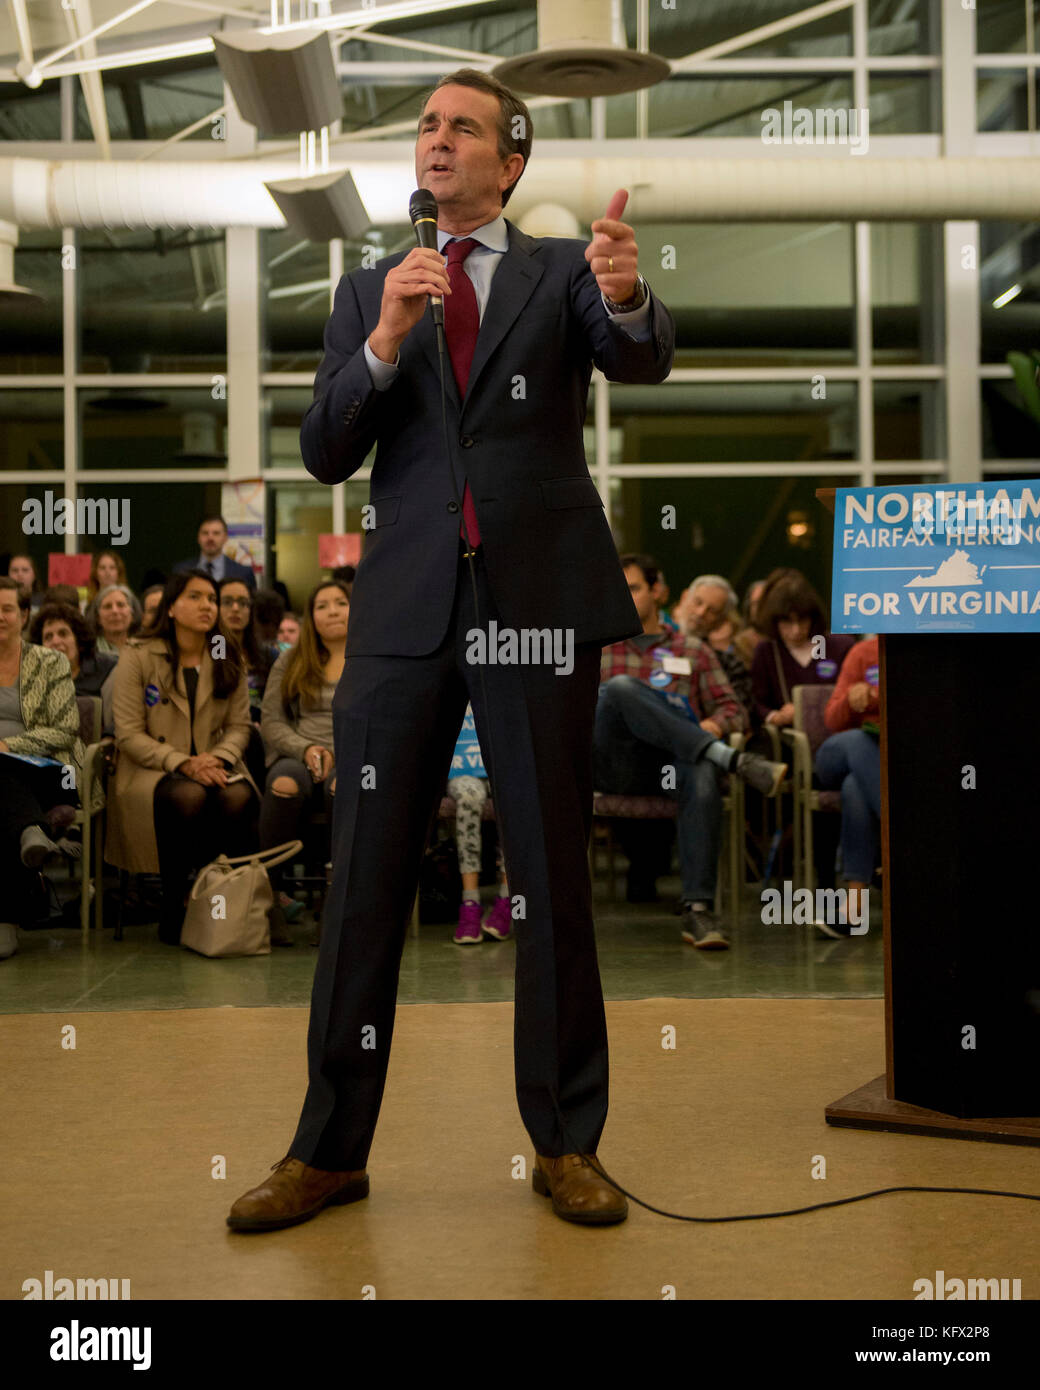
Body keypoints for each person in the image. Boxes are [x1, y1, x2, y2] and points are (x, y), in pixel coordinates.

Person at [228, 66, 677, 1234]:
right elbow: (326, 448)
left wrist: (628, 297)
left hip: (534, 605)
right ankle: (327, 1151)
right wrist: (382, 341)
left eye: (461, 127)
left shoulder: (560, 269)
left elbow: (637, 355)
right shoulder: (369, 284)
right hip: (401, 615)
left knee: (549, 881)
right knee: (363, 880)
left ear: (507, 163)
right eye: (424, 125)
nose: (435, 140)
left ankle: (567, 1144)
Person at [596, 555, 786, 947]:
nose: (623, 595)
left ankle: (698, 912)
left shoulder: (693, 649)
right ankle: (730, 759)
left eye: (633, 587)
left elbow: (733, 708)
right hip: (615, 765)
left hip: (670, 767)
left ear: (658, 591)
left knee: (698, 767)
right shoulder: (596, 646)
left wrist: (714, 726)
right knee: (619, 689)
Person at [105, 570, 259, 944]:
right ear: (172, 607)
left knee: (236, 796)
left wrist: (218, 758)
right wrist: (183, 762)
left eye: (211, 598)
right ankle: (175, 906)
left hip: (214, 765)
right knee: (187, 795)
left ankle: (226, 905)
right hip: (152, 770)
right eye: (195, 597)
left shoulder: (225, 651)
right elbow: (128, 733)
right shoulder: (139, 655)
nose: (207, 605)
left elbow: (241, 725)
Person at [0, 579, 104, 960]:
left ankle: (5, 923)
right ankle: (31, 830)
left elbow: (63, 728)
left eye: (7, 609)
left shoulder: (50, 661)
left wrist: (8, 745)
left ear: (24, 615)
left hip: (49, 771)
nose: (0, 616)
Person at [258, 582, 349, 940]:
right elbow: (271, 721)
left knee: (345, 786)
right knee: (283, 783)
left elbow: (383, 718)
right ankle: (272, 898)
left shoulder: (370, 658)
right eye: (322, 605)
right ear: (311, 617)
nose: (332, 611)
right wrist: (307, 749)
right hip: (298, 753)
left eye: (341, 603)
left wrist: (341, 754)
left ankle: (338, 900)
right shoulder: (291, 658)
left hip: (353, 756)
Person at [814, 636, 881, 938]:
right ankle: (900, 839)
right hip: (840, 752)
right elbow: (832, 718)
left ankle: (853, 906)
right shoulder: (864, 651)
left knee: (855, 787)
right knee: (858, 742)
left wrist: (876, 697)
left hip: (882, 765)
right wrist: (855, 700)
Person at [448, 702, 511, 944]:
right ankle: (470, 902)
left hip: (503, 767)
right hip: (461, 771)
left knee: (515, 797)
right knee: (469, 798)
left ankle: (507, 900)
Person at [30, 602, 118, 736]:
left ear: (78, 639)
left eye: (63, 634)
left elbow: (125, 714)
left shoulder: (107, 668)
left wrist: (108, 739)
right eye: (48, 637)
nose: (55, 641)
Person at [172, 516, 256, 591]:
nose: (210, 538)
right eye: (205, 533)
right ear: (198, 537)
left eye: (216, 533)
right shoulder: (181, 571)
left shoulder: (243, 573)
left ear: (225, 538)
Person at [88, 583, 141, 656]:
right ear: (98, 618)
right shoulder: (88, 651)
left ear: (132, 614)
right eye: (108, 606)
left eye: (121, 605)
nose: (114, 611)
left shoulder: (144, 649)